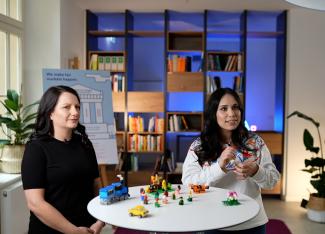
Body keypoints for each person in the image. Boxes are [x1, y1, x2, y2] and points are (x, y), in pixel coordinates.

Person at [182, 88, 280, 234]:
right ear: (213, 113)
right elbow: (189, 186)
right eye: (223, 108)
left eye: (235, 107)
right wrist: (218, 167)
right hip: (211, 223)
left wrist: (256, 171)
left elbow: (272, 182)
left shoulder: (256, 142)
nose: (232, 113)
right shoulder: (199, 146)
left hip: (251, 223)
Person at [21, 86, 105, 234]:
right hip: (50, 230)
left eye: (77, 107)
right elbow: (35, 203)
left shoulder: (84, 143)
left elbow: (97, 185)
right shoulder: (36, 148)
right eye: (67, 107)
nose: (75, 112)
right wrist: (73, 231)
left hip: (88, 228)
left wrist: (99, 221)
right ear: (50, 113)